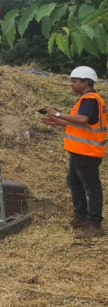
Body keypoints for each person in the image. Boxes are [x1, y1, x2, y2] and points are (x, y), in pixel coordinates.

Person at [41, 66, 107, 239]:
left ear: (85, 83)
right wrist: (60, 122)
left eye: (74, 81)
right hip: (80, 151)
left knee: (91, 188)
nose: (71, 84)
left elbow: (83, 119)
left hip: (87, 152)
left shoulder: (89, 99)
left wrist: (57, 113)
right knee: (74, 183)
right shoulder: (88, 99)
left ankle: (94, 225)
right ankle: (81, 218)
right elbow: (85, 123)